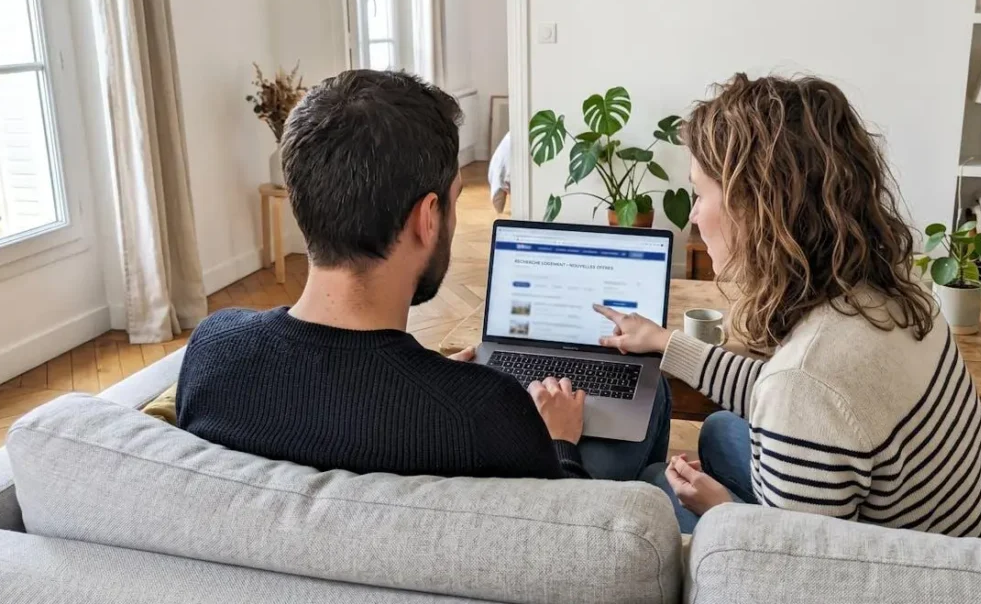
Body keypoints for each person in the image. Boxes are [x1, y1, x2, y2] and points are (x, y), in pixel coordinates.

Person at [596, 74, 981, 543]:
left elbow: (801, 573)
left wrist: (718, 508)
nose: (694, 215)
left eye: (700, 194)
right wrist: (665, 343)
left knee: (652, 490)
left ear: (757, 206)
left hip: (925, 580)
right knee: (721, 429)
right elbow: (791, 394)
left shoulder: (806, 382)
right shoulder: (893, 293)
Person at [177, 69, 669, 482]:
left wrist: (432, 377)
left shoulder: (213, 350)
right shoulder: (485, 411)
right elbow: (565, 536)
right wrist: (559, 441)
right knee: (656, 398)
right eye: (455, 198)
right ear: (427, 217)